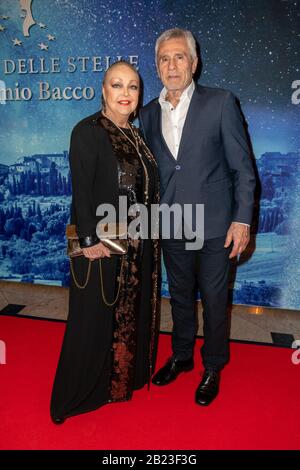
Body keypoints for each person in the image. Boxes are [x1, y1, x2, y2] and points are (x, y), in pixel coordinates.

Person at [139, 28, 255, 406]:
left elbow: (244, 168)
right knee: (180, 297)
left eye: (179, 57)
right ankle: (183, 356)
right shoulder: (148, 114)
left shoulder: (221, 103)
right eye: (164, 59)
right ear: (156, 67)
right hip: (172, 224)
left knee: (216, 299)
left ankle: (213, 365)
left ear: (194, 61)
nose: (171, 65)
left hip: (216, 226)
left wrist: (242, 220)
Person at [50, 61, 160, 424]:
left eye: (133, 87)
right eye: (117, 85)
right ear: (103, 90)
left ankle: (120, 382)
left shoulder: (136, 133)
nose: (126, 94)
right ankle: (75, 396)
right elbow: (80, 191)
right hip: (101, 242)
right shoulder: (88, 131)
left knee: (125, 314)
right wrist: (89, 241)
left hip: (135, 242)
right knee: (93, 319)